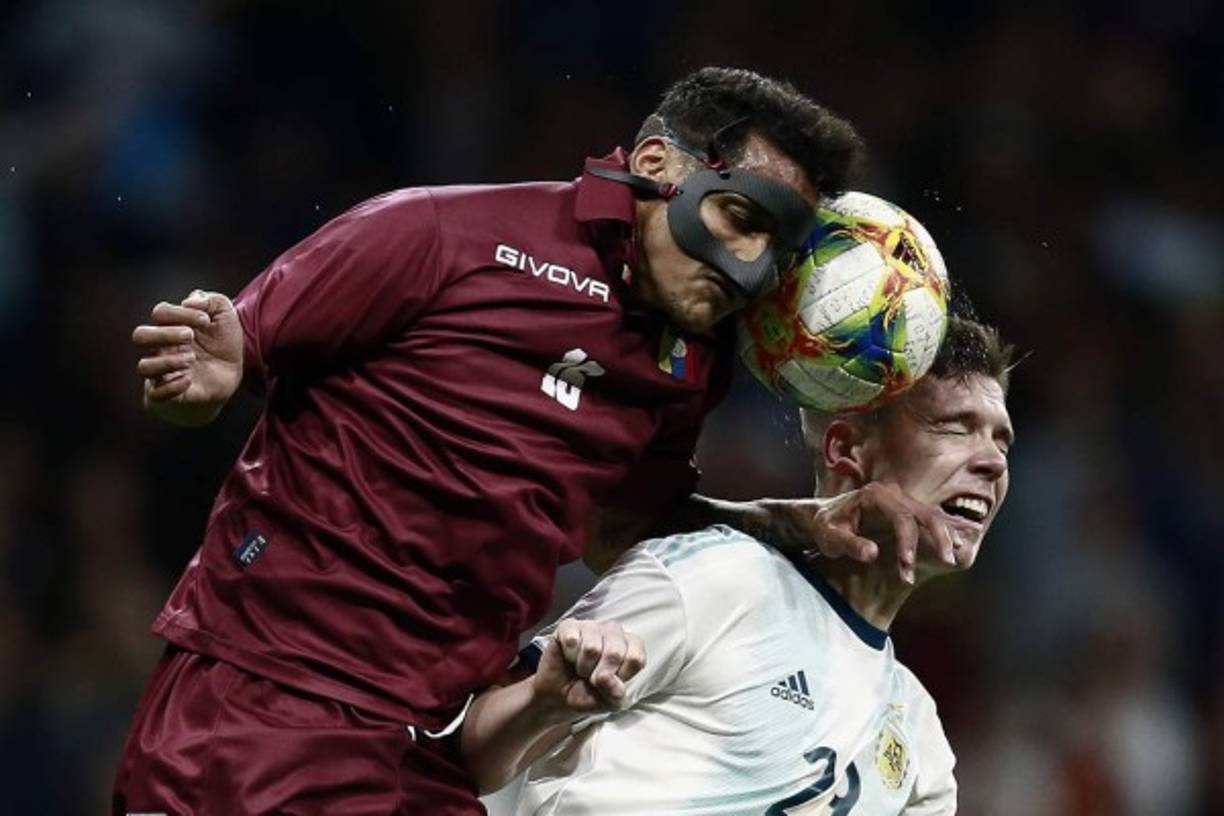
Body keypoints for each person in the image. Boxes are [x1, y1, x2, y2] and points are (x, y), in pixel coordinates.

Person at [116, 67, 956, 815]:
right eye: (740, 217)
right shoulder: (440, 236)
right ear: (658, 166)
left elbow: (622, 531)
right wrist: (206, 380)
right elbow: (224, 366)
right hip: (265, 701)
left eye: (777, 249)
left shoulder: (688, 365)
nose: (749, 267)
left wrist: (802, 522)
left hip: (427, 745)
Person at [463, 316, 1015, 815]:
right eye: (954, 427)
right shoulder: (717, 579)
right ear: (846, 450)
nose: (992, 461)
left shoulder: (920, 743)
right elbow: (468, 752)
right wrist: (540, 704)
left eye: (1002, 441)